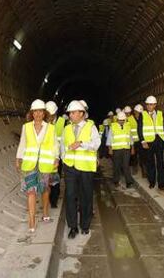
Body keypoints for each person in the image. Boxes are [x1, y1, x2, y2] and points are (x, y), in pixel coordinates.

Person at [16, 99, 59, 233]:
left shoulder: (50, 128)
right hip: (29, 163)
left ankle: (45, 212)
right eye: (35, 111)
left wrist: (56, 157)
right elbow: (23, 143)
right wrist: (18, 158)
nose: (38, 114)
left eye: (40, 111)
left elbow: (54, 145)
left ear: (44, 113)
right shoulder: (26, 127)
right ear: (32, 113)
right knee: (31, 191)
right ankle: (32, 219)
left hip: (45, 164)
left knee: (45, 190)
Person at [61, 100, 100, 238]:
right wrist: (64, 159)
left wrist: (81, 144)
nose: (70, 115)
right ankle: (72, 227)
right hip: (70, 167)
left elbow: (96, 144)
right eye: (70, 113)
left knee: (86, 196)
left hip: (85, 168)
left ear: (81, 114)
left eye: (73, 112)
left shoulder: (91, 127)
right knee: (70, 196)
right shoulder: (66, 128)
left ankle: (85, 225)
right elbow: (62, 146)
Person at [137, 96, 164, 190]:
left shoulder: (161, 114)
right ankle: (152, 182)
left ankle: (161, 183)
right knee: (150, 162)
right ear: (146, 105)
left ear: (155, 105)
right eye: (148, 104)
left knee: (160, 162)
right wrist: (142, 141)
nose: (150, 106)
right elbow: (140, 128)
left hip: (159, 140)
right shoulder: (143, 114)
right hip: (149, 141)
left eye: (152, 104)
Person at [107, 111, 135, 188]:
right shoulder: (113, 126)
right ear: (117, 120)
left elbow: (130, 138)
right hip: (116, 150)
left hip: (126, 149)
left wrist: (132, 148)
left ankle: (129, 182)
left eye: (123, 120)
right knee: (117, 165)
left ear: (125, 119)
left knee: (126, 165)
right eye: (120, 120)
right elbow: (109, 138)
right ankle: (116, 181)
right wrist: (110, 149)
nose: (121, 121)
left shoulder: (128, 126)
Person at [46, 101, 65, 208]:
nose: (49, 117)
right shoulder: (44, 122)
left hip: (58, 155)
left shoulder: (62, 122)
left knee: (56, 177)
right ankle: (48, 197)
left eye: (51, 115)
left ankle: (54, 199)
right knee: (47, 178)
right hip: (46, 155)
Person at [133, 104, 148, 178]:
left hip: (141, 141)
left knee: (143, 156)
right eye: (138, 112)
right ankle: (134, 168)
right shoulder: (130, 119)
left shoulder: (144, 118)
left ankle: (144, 172)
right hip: (134, 141)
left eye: (140, 113)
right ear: (135, 111)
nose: (139, 114)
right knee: (134, 156)